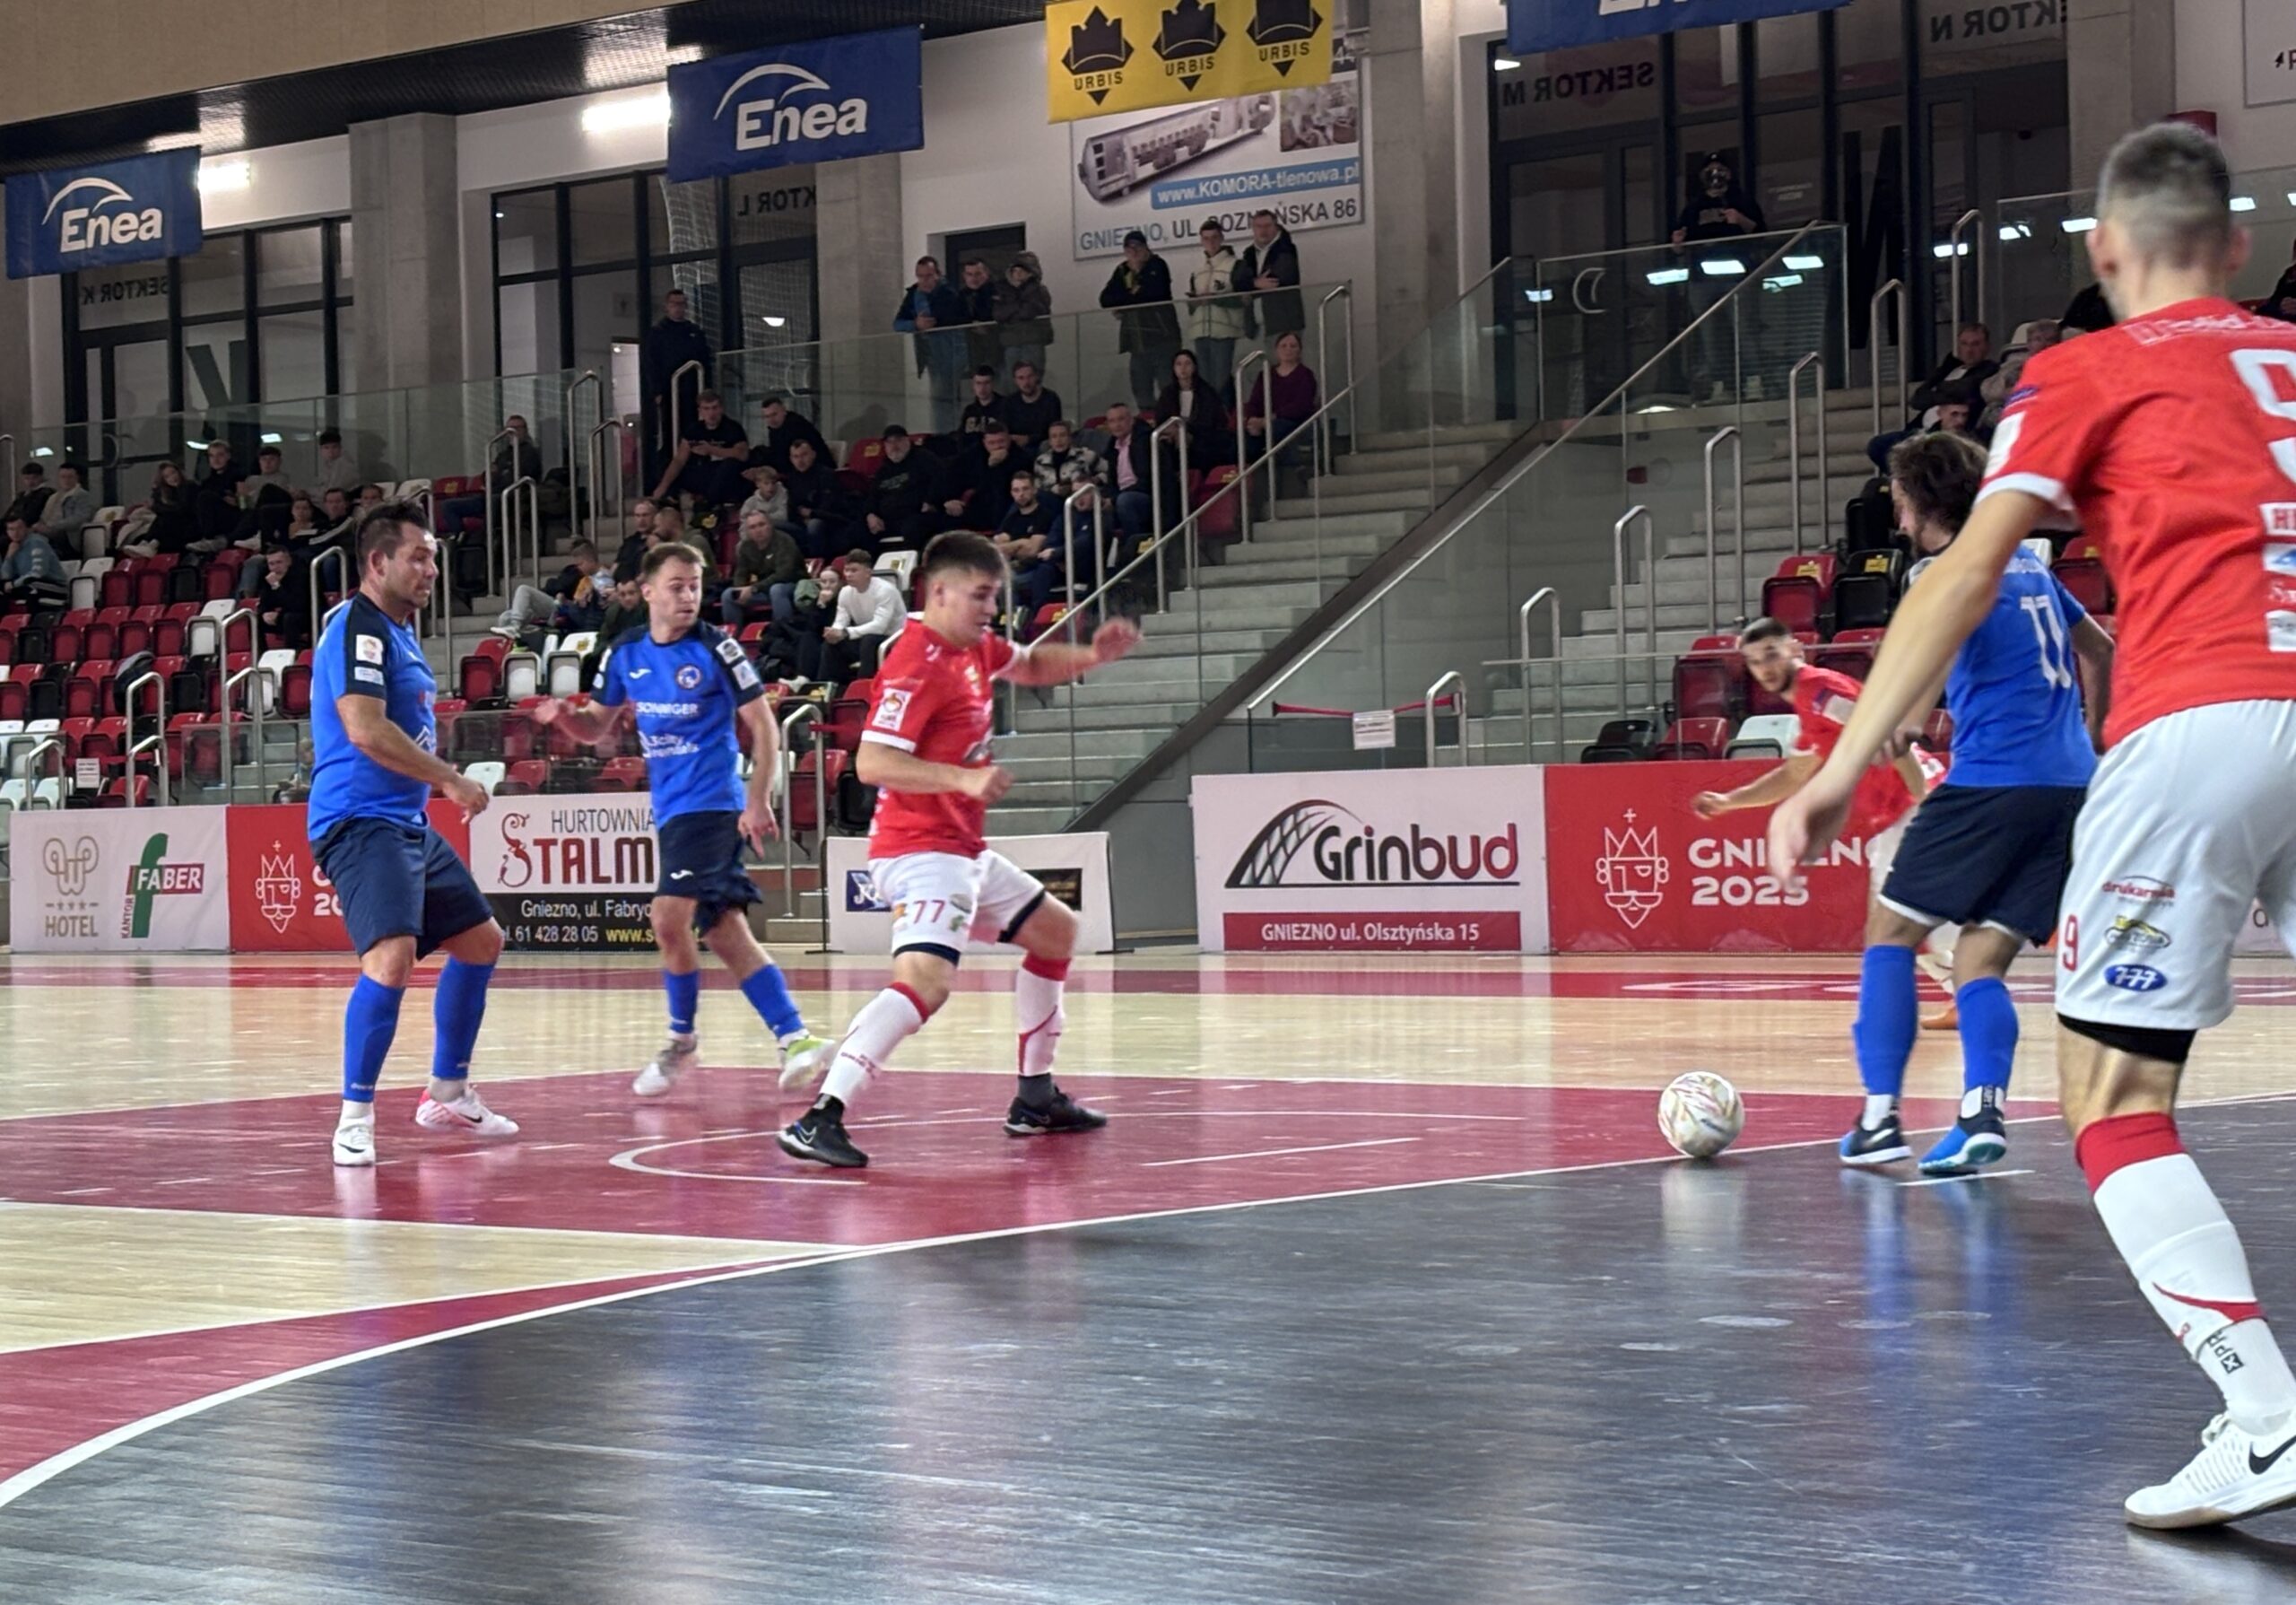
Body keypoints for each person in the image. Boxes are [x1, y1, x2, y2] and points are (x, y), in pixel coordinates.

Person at [1767, 122, 2296, 1529]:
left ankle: (2264, 1420)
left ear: (2105, 251)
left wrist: (1842, 765)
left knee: (2117, 1101)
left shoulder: (2087, 368)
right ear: (2238, 248)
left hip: (2197, 730)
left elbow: (1960, 575)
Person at [776, 532, 1141, 1169]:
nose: (991, 609)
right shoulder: (916, 662)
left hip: (960, 849)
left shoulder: (973, 647)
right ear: (939, 592)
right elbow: (871, 761)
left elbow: (1030, 664)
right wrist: (961, 779)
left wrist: (1091, 655)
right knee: (925, 982)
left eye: (995, 597)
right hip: (918, 849)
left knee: (1056, 932)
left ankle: (1035, 1098)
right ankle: (821, 1116)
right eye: (981, 596)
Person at [1821, 432, 2112, 1175]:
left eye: (1899, 497)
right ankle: (1981, 1110)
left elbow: (1927, 678)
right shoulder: (2030, 565)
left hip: (1992, 781)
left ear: (1923, 502)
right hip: (2069, 788)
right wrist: (2091, 734)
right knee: (1981, 957)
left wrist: (1899, 721)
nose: (1895, 512)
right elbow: (2101, 651)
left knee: (1890, 932)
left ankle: (1879, 1118)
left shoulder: (1943, 573)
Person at [530, 541, 831, 1098]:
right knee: (723, 930)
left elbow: (763, 725)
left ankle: (682, 1038)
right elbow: (596, 726)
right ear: (647, 592)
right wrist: (564, 717)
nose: (689, 595)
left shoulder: (717, 649)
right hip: (671, 811)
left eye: (695, 585)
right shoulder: (626, 652)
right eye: (677, 586)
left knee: (667, 917)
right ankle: (794, 1036)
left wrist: (758, 798)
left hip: (712, 804)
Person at [307, 501, 514, 1169]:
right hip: (358, 820)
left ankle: (448, 1092)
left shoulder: (399, 633)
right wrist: (449, 779)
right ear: (377, 562)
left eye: (433, 557)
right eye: (418, 557)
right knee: (391, 958)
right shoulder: (357, 628)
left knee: (481, 941)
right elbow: (364, 729)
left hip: (403, 822)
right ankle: (354, 1117)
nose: (431, 570)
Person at [1693, 616, 1959, 1033]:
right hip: (1902, 813)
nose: (1765, 668)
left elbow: (1887, 734)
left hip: (1911, 808)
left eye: (1771, 655)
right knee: (1905, 919)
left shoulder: (1818, 692)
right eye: (1755, 661)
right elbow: (1793, 775)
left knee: (1896, 920)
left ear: (1795, 650)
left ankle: (1970, 980)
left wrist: (1923, 798)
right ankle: (1966, 992)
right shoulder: (1810, 709)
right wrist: (1730, 801)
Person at [1670, 153, 1767, 401]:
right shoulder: (1693, 207)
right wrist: (1677, 244)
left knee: (1744, 330)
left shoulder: (1742, 201)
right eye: (1710, 172)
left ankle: (1754, 382)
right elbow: (1679, 245)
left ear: (1729, 174)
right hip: (1702, 280)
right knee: (1710, 335)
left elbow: (1762, 234)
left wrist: (1740, 220)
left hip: (1738, 277)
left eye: (1720, 170)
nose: (1715, 176)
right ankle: (1721, 385)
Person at [1100, 231, 1182, 412]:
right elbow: (1105, 299)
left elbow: (1153, 294)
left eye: (1138, 247)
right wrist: (1131, 296)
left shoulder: (1157, 265)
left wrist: (1123, 303)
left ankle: (1172, 423)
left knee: (1168, 390)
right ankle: (1148, 422)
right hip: (1137, 343)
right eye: (1129, 248)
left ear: (1146, 248)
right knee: (1141, 392)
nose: (1134, 251)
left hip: (1163, 339)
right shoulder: (1122, 270)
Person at [799, 550, 908, 685]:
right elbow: (841, 620)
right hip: (865, 637)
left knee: (869, 641)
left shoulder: (885, 590)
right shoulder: (845, 592)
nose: (848, 574)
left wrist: (845, 633)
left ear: (868, 572)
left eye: (854, 570)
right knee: (832, 644)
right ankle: (829, 686)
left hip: (893, 639)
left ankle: (863, 685)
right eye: (846, 570)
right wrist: (834, 632)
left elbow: (880, 626)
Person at [642, 288, 714, 489]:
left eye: (682, 304)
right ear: (667, 306)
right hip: (670, 394)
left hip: (694, 392)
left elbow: (706, 362)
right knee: (671, 436)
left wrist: (707, 390)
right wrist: (657, 391)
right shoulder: (658, 334)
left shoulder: (695, 332)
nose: (678, 308)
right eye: (675, 304)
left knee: (695, 435)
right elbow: (651, 364)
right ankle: (669, 485)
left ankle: (696, 480)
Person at [893, 255, 967, 435]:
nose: (924, 281)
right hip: (929, 356)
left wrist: (923, 320)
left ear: (937, 275)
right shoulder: (913, 294)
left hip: (951, 354)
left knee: (945, 397)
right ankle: (942, 434)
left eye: (928, 276)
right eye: (920, 276)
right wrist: (915, 324)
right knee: (938, 399)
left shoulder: (949, 293)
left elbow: (940, 319)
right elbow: (897, 323)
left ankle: (948, 435)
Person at [651, 389, 751, 510]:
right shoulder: (694, 429)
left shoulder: (732, 428)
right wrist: (663, 486)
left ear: (721, 409)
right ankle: (670, 502)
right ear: (700, 411)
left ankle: (708, 503)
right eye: (706, 409)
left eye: (714, 408)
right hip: (702, 472)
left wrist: (712, 450)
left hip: (724, 475)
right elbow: (679, 460)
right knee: (668, 465)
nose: (711, 413)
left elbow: (743, 455)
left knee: (731, 465)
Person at [1240, 330, 1319, 484]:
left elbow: (1301, 405)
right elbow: (1255, 401)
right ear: (1276, 350)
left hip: (1295, 422)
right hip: (1266, 422)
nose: (1288, 349)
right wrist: (1252, 420)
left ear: (1299, 351)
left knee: (1277, 429)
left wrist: (1271, 418)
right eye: (1283, 346)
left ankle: (1290, 475)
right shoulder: (1265, 375)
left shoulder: (1305, 375)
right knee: (1246, 438)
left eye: (1293, 346)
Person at [1186, 222, 1246, 405]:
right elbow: (1191, 307)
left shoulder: (1235, 265)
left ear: (1221, 238)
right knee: (1204, 382)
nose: (1210, 242)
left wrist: (1215, 299)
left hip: (1224, 331)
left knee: (1221, 381)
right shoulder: (1197, 271)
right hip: (1200, 332)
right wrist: (1194, 302)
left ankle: (1226, 415)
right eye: (1206, 238)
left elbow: (1244, 299)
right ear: (1201, 241)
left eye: (1214, 238)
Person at [862, 426, 945, 554]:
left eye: (898, 440)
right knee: (858, 530)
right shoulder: (883, 471)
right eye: (889, 442)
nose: (894, 446)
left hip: (918, 514)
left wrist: (931, 501)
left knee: (914, 527)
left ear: (907, 441)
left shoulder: (924, 459)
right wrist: (870, 514)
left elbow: (941, 480)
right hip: (888, 520)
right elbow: (873, 497)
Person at [719, 509, 805, 629]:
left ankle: (783, 632)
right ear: (748, 531)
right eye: (752, 527)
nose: (758, 530)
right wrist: (741, 589)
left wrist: (754, 588)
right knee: (728, 595)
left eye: (761, 525)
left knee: (777, 590)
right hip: (763, 589)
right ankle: (734, 636)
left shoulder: (784, 541)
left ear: (770, 525)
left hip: (793, 586)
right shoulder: (746, 546)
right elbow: (740, 573)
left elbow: (784, 574)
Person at [996, 468, 1062, 616]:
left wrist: (1012, 547)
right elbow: (998, 548)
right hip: (1017, 567)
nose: (1021, 494)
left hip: (1038, 570)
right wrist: (1021, 543)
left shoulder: (1044, 515)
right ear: (1012, 493)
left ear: (1034, 490)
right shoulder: (1012, 518)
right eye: (1016, 490)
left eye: (1025, 489)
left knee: (1007, 582)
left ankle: (1015, 623)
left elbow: (1032, 551)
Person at [1234, 208, 1304, 344]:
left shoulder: (1286, 249)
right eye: (1259, 226)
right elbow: (1238, 284)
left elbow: (1275, 281)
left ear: (1275, 227)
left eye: (1267, 226)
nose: (1263, 230)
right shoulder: (1249, 253)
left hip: (1284, 322)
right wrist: (1255, 283)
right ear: (1253, 229)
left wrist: (1250, 285)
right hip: (1257, 322)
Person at [1155, 347, 1233, 467]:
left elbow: (1210, 422)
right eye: (1179, 364)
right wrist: (1174, 431)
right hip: (1174, 436)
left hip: (1202, 437)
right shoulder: (1167, 393)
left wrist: (1186, 431)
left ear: (1194, 367)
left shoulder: (1206, 392)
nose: (1183, 368)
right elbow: (1161, 419)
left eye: (1187, 364)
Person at [945, 420, 1024, 533]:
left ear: (1009, 439)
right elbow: (953, 477)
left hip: (1008, 502)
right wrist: (950, 499)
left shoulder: (1021, 457)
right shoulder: (972, 455)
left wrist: (994, 466)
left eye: (1001, 441)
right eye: (992, 443)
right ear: (984, 443)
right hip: (975, 504)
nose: (997, 446)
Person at [779, 438, 852, 560]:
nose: (800, 460)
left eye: (804, 455)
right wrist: (803, 517)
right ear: (791, 459)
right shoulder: (792, 478)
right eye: (796, 457)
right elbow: (792, 509)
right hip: (801, 524)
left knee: (814, 525)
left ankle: (817, 562)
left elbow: (830, 507)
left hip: (828, 522)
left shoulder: (826, 475)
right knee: (771, 526)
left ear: (813, 455)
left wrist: (811, 513)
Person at [994, 251, 1053, 387]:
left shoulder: (1039, 290)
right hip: (1011, 343)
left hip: (1033, 341)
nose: (1018, 274)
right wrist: (1018, 307)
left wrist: (1011, 311)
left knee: (1032, 381)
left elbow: (1029, 311)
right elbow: (998, 314)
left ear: (1031, 272)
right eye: (1015, 270)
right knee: (1011, 382)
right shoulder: (1004, 290)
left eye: (1022, 270)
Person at [251, 544, 312, 650]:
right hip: (282, 616)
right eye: (271, 564)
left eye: (279, 562)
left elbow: (297, 605)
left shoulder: (301, 575)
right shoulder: (267, 576)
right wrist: (265, 613)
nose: (275, 567)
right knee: (254, 619)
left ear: (288, 561)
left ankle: (292, 653)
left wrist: (276, 586)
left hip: (306, 616)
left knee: (289, 618)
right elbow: (263, 602)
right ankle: (261, 654)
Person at [1, 513, 66, 610]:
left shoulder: (36, 542)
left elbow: (38, 573)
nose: (15, 533)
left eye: (19, 528)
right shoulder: (13, 547)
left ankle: (33, 618)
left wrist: (14, 584)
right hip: (28, 584)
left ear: (26, 528)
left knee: (31, 586)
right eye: (11, 529)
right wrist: (9, 557)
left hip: (55, 586)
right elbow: (5, 577)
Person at [755, 396, 828, 475]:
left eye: (774, 414)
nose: (771, 420)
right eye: (767, 416)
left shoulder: (795, 425)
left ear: (784, 411)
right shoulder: (775, 429)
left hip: (817, 472)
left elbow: (785, 458)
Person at [1001, 361, 1063, 453]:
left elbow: (1055, 429)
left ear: (1036, 377)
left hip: (1043, 447)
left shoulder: (1050, 399)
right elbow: (1003, 429)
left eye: (1029, 377)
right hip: (1016, 448)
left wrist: (1029, 439)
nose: (1026, 382)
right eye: (1021, 378)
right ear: (1015, 381)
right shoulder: (1009, 402)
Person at [30, 460, 94, 551]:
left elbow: (81, 518)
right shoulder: (53, 497)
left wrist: (54, 526)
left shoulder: (81, 495)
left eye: (70, 477)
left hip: (67, 535)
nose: (66, 480)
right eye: (63, 477)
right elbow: (44, 517)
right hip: (48, 532)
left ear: (77, 478)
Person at [956, 256, 1001, 377]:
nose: (973, 278)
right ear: (964, 276)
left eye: (978, 274)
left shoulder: (998, 292)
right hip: (972, 351)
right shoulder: (960, 296)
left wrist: (988, 327)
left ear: (986, 274)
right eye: (969, 274)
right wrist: (971, 324)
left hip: (998, 347)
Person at [310, 428, 361, 501]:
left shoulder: (344, 464)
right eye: (326, 448)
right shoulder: (328, 465)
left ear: (340, 448)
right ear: (321, 450)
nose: (331, 451)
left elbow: (331, 491)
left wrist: (308, 494)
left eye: (334, 447)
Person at [959, 367, 1007, 440]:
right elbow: (961, 436)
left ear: (993, 384)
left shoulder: (1006, 406)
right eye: (978, 383)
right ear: (973, 385)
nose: (982, 388)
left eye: (986, 383)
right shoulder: (970, 411)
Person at [3, 461, 51, 528]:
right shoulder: (22, 495)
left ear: (41, 477)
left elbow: (32, 515)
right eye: (27, 478)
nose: (30, 482)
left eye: (34, 478)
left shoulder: (46, 494)